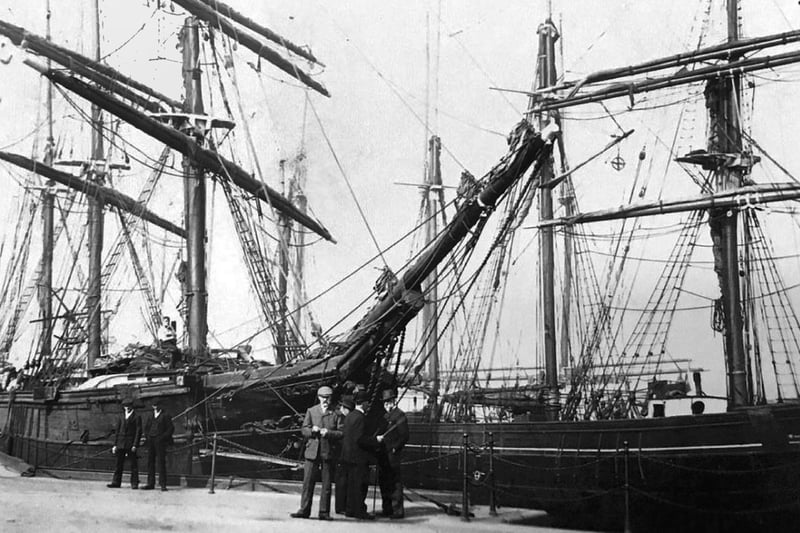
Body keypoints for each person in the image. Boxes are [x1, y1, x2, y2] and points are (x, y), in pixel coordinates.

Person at [290, 386, 343, 521]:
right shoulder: (312, 411)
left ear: (331, 398)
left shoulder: (336, 414)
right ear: (319, 397)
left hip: (327, 451)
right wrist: (312, 430)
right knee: (307, 482)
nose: (325, 400)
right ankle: (304, 510)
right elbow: (304, 429)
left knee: (326, 483)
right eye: (323, 398)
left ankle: (324, 512)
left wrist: (329, 433)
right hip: (312, 451)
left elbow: (341, 433)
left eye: (328, 398)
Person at [341, 390, 383, 520]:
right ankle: (360, 511)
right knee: (360, 485)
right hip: (359, 457)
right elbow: (360, 439)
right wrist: (376, 440)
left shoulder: (350, 416)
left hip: (348, 456)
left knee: (351, 485)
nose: (368, 405)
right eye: (367, 402)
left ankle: (350, 510)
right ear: (364, 403)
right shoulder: (361, 418)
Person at [377, 388, 409, 519]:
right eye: (385, 402)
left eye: (388, 402)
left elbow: (404, 435)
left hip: (393, 454)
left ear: (393, 401)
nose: (386, 404)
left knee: (395, 482)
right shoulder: (385, 416)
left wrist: (396, 447)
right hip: (383, 454)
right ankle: (387, 508)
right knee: (383, 481)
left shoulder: (400, 415)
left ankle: (397, 510)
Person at [107, 400, 142, 489]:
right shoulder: (121, 416)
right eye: (125, 406)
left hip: (130, 443)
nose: (127, 408)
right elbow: (117, 431)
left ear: (132, 406)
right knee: (118, 464)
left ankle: (134, 483)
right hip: (121, 443)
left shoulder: (137, 417)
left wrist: (135, 444)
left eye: (128, 406)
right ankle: (116, 482)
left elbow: (138, 432)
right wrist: (115, 445)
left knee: (133, 464)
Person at [142, 399, 174, 491]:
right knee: (150, 462)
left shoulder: (166, 415)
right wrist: (147, 436)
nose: (155, 407)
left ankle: (163, 484)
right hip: (151, 441)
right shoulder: (150, 416)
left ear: (160, 406)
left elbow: (170, 429)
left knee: (161, 462)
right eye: (154, 405)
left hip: (160, 441)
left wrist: (162, 437)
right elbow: (147, 428)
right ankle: (150, 483)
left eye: (157, 405)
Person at [334, 395, 354, 515]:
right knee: (344, 481)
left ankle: (340, 506)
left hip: (340, 453)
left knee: (341, 481)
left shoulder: (343, 418)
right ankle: (342, 506)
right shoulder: (345, 418)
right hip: (344, 454)